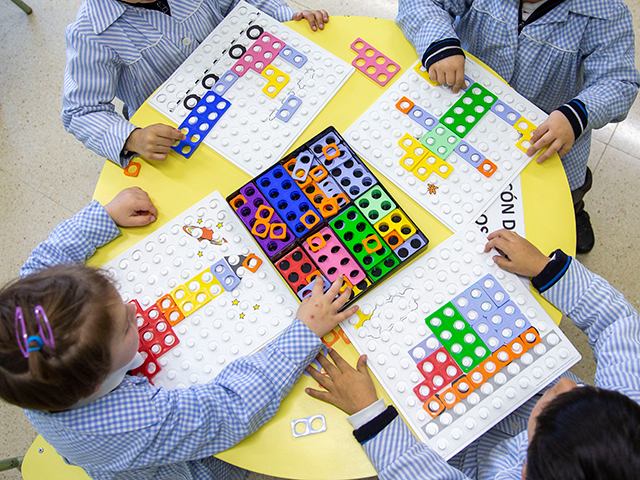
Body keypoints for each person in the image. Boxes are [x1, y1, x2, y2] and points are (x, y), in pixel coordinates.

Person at [0, 187, 358, 480]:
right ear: (97, 382)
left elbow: (44, 262)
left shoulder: (26, 351)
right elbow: (232, 409)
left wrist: (104, 216)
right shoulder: (131, 422)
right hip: (191, 466)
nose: (132, 311)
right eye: (126, 327)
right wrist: (303, 332)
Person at [305, 229, 640, 479]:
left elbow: (419, 474)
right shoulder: (629, 415)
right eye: (586, 393)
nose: (567, 386)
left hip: (457, 449)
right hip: (509, 368)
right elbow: (618, 321)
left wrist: (370, 415)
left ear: (525, 470)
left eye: (555, 404)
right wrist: (545, 269)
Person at [396, 0, 640, 254]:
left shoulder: (606, 12)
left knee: (566, 191)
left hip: (550, 131)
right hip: (470, 106)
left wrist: (576, 114)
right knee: (474, 179)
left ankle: (574, 213)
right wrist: (440, 42)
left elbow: (619, 82)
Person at [62, 0, 329, 168]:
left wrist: (286, 18)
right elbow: (81, 111)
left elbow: (242, 4)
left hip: (248, 88)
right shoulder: (89, 33)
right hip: (179, 130)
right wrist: (133, 137)